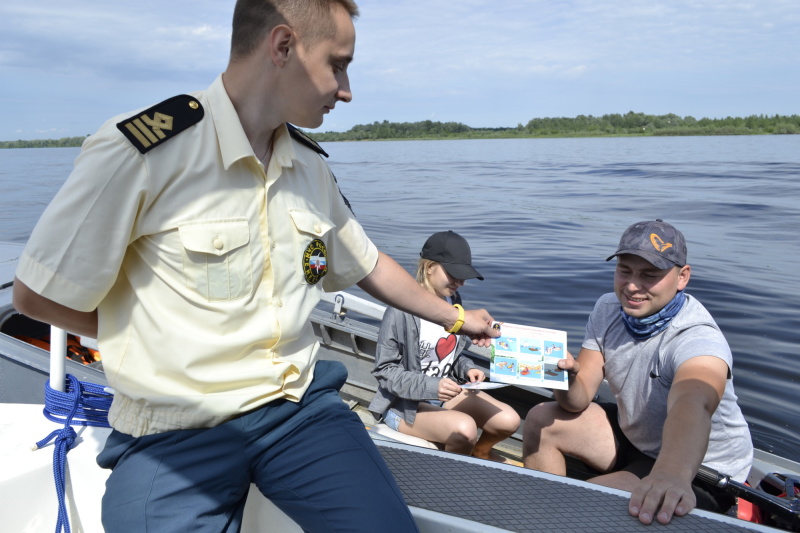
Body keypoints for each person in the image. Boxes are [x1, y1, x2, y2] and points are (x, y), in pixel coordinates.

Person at [12, 2, 499, 532]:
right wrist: (147, 333)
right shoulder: (145, 151)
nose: (346, 89)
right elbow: (38, 296)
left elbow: (368, 263)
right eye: (338, 65)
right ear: (283, 46)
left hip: (298, 411)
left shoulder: (309, 166)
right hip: (176, 425)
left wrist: (457, 319)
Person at [522, 220, 753, 526]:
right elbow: (576, 402)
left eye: (649, 275)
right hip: (638, 441)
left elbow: (693, 404)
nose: (632, 286)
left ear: (682, 277)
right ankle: (538, 514)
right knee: (541, 418)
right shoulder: (607, 309)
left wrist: (671, 474)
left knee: (583, 503)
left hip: (700, 470)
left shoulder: (697, 339)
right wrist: (566, 378)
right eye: (625, 271)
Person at [368, 231, 521, 462]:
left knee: (509, 420)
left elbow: (448, 354)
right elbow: (385, 371)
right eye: (453, 274)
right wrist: (432, 386)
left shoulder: (454, 302)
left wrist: (466, 368)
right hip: (404, 406)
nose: (460, 282)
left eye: (463, 276)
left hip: (444, 395)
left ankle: (480, 452)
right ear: (429, 267)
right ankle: (451, 475)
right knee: (465, 428)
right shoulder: (400, 311)